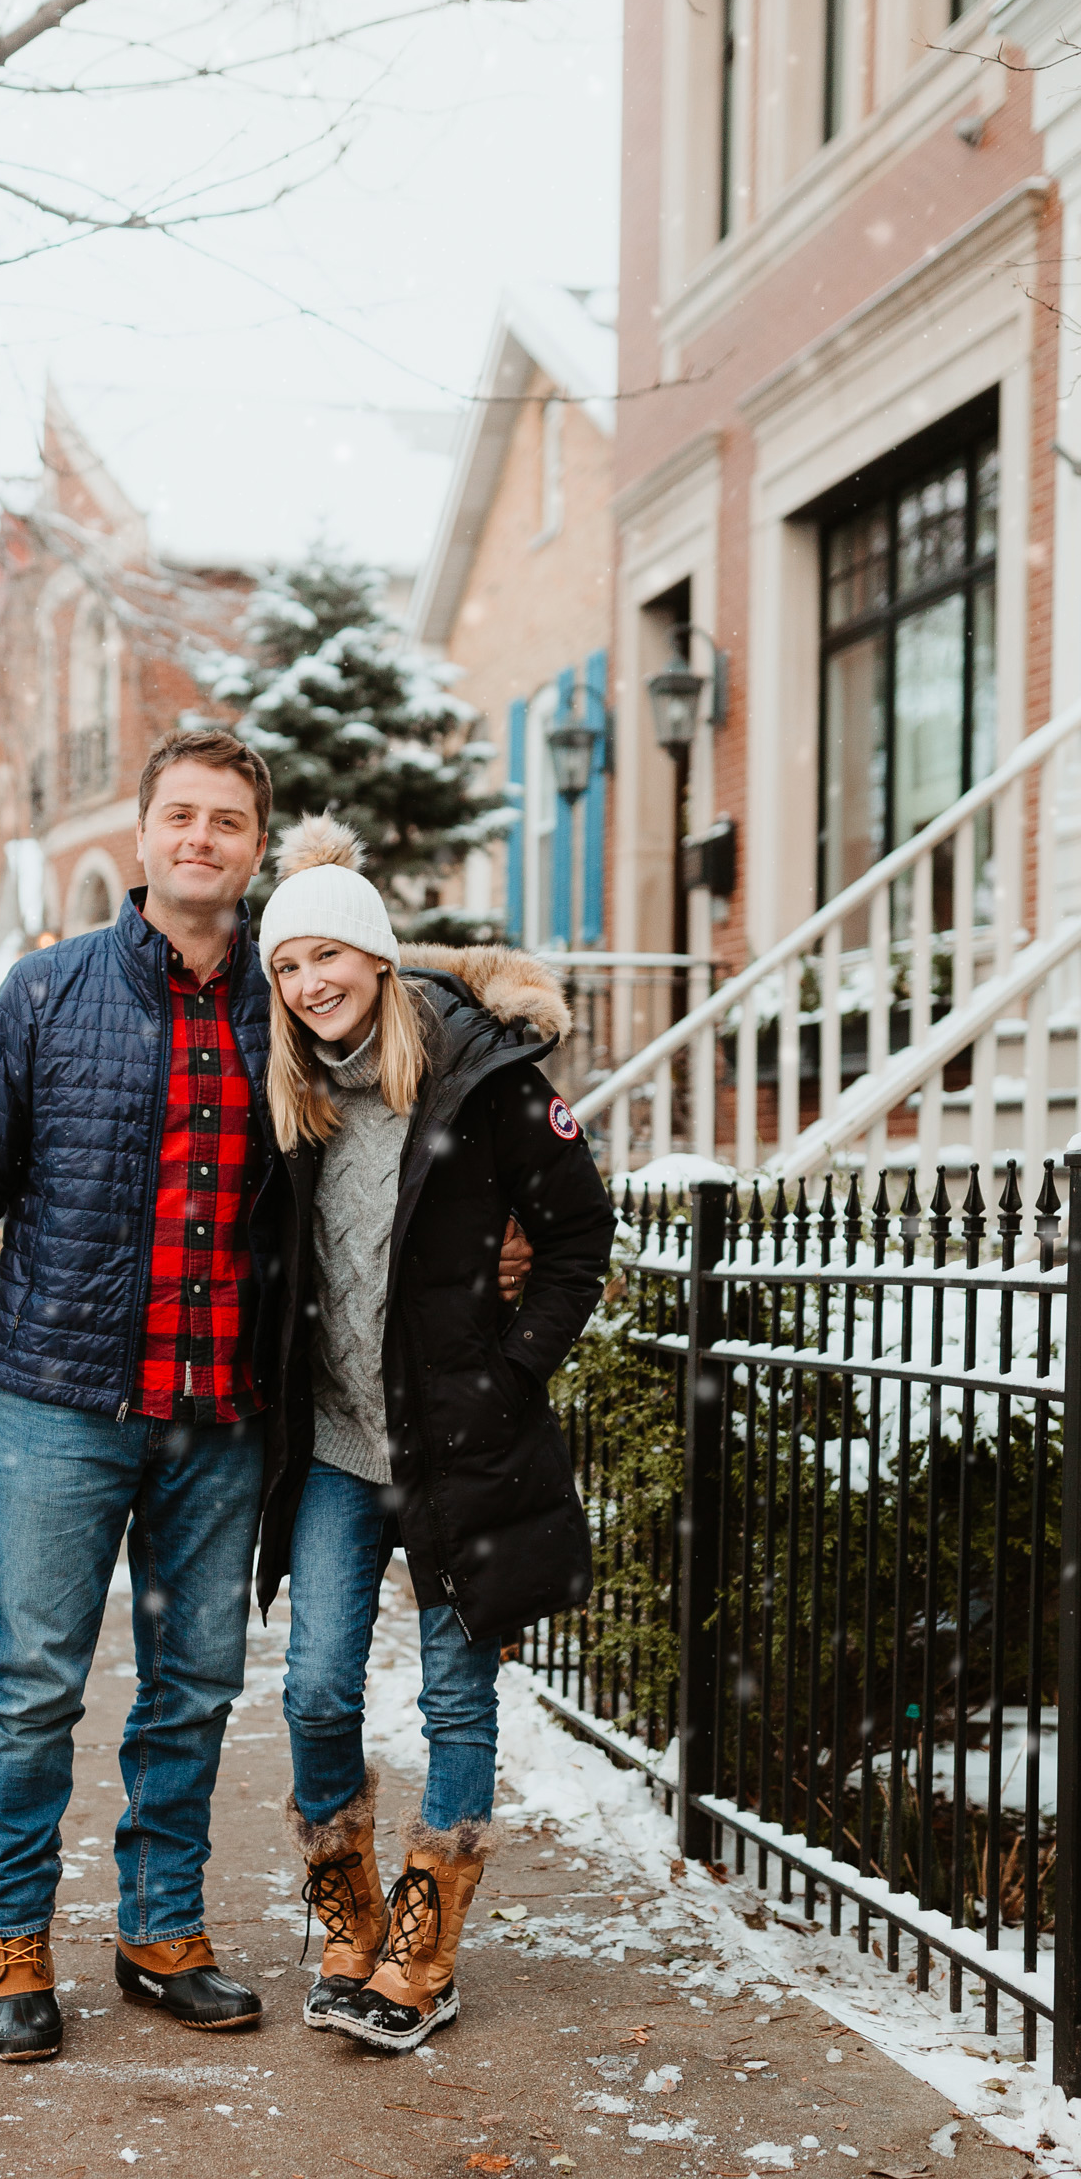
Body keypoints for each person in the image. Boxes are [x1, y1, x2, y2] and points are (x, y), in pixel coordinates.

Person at [0, 729, 282, 2062]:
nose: (201, 838)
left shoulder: (293, 1008)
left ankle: (162, 1931)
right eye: (181, 815)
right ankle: (15, 1942)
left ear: (256, 847)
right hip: (63, 1403)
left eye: (228, 820)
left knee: (195, 1683)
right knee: (38, 1682)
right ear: (149, 834)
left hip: (223, 1414)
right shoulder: (48, 995)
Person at [253, 814, 615, 2054]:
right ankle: (346, 1909)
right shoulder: (288, 1095)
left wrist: (513, 1371)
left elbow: (577, 1240)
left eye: (328, 959)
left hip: (460, 1448)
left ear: (376, 957)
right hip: (340, 1453)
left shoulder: (487, 1080)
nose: (311, 986)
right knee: (314, 1693)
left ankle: (427, 1949)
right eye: (288, 969)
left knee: (460, 1701)